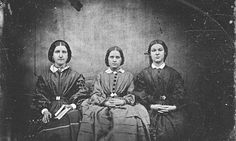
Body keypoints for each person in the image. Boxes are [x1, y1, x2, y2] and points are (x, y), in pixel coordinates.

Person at [77, 46, 151, 141]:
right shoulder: (101, 75)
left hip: (123, 105)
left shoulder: (128, 75)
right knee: (98, 117)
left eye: (117, 57)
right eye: (112, 57)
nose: (114, 60)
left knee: (127, 119)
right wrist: (104, 102)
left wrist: (123, 101)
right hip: (104, 105)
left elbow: (132, 93)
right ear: (107, 59)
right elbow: (96, 93)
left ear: (121, 59)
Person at [134, 39, 199, 141]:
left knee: (180, 124)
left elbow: (180, 94)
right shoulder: (143, 74)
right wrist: (152, 105)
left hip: (171, 109)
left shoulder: (174, 74)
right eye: (153, 50)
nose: (157, 53)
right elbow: (140, 93)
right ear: (150, 54)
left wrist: (171, 106)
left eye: (160, 50)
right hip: (150, 110)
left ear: (165, 52)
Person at [32, 40, 90, 141]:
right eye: (57, 52)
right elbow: (39, 95)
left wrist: (72, 106)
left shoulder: (76, 76)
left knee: (72, 118)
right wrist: (44, 110)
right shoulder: (44, 77)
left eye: (64, 52)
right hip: (50, 108)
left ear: (68, 55)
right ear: (52, 54)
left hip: (68, 109)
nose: (60, 55)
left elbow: (82, 95)